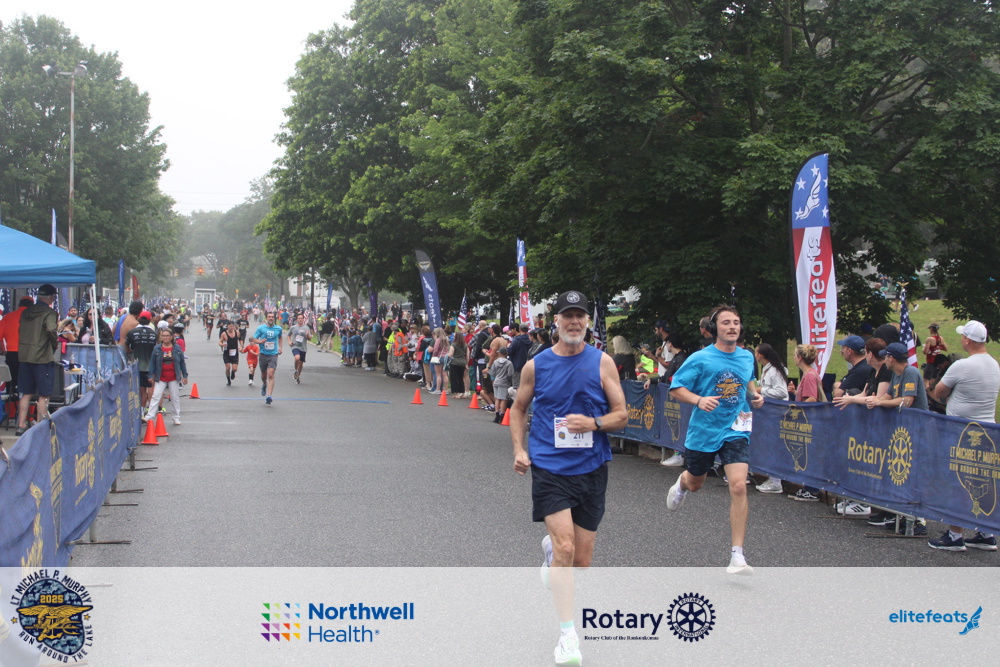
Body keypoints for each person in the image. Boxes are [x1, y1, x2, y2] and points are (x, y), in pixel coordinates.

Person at [509, 290, 627, 667]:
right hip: (550, 467)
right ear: (555, 321)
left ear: (587, 322)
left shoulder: (602, 362)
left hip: (592, 468)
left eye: (580, 316)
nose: (574, 322)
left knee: (582, 560)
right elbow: (518, 409)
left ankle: (553, 558)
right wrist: (519, 449)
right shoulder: (537, 365)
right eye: (567, 315)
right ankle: (567, 636)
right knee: (565, 548)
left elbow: (622, 414)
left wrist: (593, 423)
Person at [667, 305, 765, 574]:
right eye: (726, 323)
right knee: (696, 483)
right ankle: (683, 483)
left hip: (736, 428)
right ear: (714, 328)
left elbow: (749, 384)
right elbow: (676, 388)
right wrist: (699, 400)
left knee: (739, 486)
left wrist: (755, 397)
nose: (732, 327)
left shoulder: (746, 356)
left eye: (736, 322)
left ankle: (737, 556)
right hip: (705, 430)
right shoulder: (701, 358)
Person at [927, 320, 1000, 552]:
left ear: (967, 340)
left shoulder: (962, 365)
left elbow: (939, 392)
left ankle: (955, 535)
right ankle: (986, 532)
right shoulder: (994, 364)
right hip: (988, 430)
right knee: (983, 480)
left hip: (961, 431)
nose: (960, 339)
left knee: (957, 482)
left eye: (962, 336)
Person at [14, 285, 60, 436]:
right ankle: (40, 427)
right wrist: (54, 343)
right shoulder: (50, 313)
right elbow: (51, 329)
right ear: (51, 297)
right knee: (44, 394)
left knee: (25, 392)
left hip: (24, 355)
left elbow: (20, 330)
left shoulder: (26, 312)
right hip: (42, 357)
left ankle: (20, 425)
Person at [753, 343, 789, 494]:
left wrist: (762, 390)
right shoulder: (768, 369)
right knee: (769, 445)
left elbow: (782, 392)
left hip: (776, 414)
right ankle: (773, 478)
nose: (755, 355)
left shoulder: (774, 371)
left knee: (774, 446)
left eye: (756, 352)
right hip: (770, 414)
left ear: (760, 355)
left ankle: (776, 481)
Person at [144, 328, 188, 425]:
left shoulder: (177, 348)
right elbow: (152, 362)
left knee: (175, 397)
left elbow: (182, 362)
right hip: (161, 377)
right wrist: (150, 375)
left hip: (173, 377)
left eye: (167, 336)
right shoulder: (157, 348)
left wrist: (185, 375)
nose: (165, 337)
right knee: (156, 396)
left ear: (171, 337)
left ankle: (176, 417)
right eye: (163, 336)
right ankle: (150, 416)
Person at [0, 296, 35, 400]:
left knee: (12, 382)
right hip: (29, 353)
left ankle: (11, 404)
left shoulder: (8, 317)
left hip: (12, 353)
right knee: (28, 382)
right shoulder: (34, 318)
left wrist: (2, 348)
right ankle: (27, 406)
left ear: (19, 304)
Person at [125, 310, 159, 410]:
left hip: (137, 365)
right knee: (151, 387)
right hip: (151, 365)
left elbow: (127, 348)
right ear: (150, 320)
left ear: (138, 319)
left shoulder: (131, 332)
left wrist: (131, 352)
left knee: (141, 389)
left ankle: (141, 410)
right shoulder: (154, 334)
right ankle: (151, 410)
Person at [250, 311, 284, 405]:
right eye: (269, 317)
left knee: (271, 374)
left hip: (273, 354)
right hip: (263, 354)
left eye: (272, 317)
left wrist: (280, 347)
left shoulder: (278, 328)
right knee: (264, 375)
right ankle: (264, 384)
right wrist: (260, 342)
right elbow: (253, 339)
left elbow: (280, 338)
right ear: (266, 318)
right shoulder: (261, 328)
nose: (271, 318)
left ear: (274, 318)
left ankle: (269, 396)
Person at [832, 335, 870, 399]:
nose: (842, 351)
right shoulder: (862, 365)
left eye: (843, 348)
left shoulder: (860, 371)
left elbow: (837, 394)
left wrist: (837, 386)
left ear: (849, 351)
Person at [488, 347, 514, 423]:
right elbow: (510, 374)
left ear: (499, 353)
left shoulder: (495, 362)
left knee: (497, 399)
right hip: (504, 382)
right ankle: (502, 414)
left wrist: (497, 376)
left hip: (496, 381)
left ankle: (497, 415)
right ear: (506, 354)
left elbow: (492, 372)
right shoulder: (509, 363)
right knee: (503, 399)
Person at [288, 314, 313, 383]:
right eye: (299, 318)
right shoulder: (293, 327)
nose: (300, 319)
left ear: (303, 319)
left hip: (303, 347)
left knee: (301, 363)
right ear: (297, 319)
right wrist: (289, 341)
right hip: (295, 346)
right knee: (297, 358)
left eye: (301, 318)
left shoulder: (306, 328)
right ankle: (296, 370)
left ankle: (298, 375)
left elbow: (309, 339)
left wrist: (307, 335)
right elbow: (288, 335)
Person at [922, 323, 948, 390]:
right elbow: (946, 348)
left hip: (930, 362)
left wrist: (924, 347)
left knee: (926, 382)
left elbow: (925, 352)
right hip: (938, 363)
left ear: (931, 329)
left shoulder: (929, 339)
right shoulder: (941, 338)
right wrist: (938, 348)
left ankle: (928, 395)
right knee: (933, 382)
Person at [448, 332, 468, 397]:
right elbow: (467, 355)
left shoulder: (454, 345)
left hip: (455, 362)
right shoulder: (465, 345)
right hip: (462, 363)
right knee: (461, 378)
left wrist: (448, 355)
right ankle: (462, 392)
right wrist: (466, 363)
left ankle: (457, 392)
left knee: (454, 378)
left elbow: (451, 354)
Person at [219, 321, 241, 386]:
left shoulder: (237, 332)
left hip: (234, 352)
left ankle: (233, 372)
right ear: (227, 326)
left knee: (234, 369)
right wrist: (222, 345)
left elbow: (240, 339)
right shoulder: (224, 334)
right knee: (227, 367)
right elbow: (219, 342)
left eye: (232, 326)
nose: (231, 327)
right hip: (227, 353)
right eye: (230, 326)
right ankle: (228, 380)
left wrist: (241, 346)